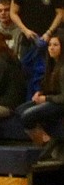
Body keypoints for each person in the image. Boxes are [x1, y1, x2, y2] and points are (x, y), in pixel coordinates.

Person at [15, 33, 64, 161]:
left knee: (28, 116)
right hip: (51, 99)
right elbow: (50, 87)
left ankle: (48, 143)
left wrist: (45, 99)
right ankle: (48, 140)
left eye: (55, 45)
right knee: (20, 110)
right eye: (50, 45)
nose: (51, 48)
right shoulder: (51, 64)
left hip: (59, 103)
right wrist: (41, 93)